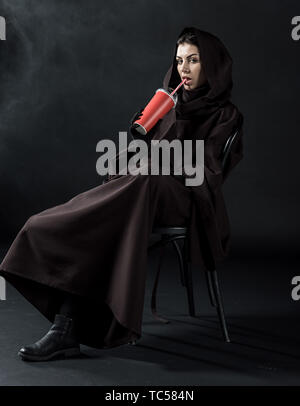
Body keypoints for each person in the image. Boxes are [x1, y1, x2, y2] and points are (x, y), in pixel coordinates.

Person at [0, 26, 243, 362]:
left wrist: (168, 142)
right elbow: (143, 154)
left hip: (186, 201)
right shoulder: (170, 103)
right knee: (123, 188)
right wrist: (148, 129)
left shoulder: (226, 115)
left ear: (212, 65)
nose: (184, 69)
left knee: (143, 181)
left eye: (193, 60)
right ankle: (64, 327)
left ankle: (68, 316)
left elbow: (206, 170)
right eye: (179, 61)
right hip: (142, 197)